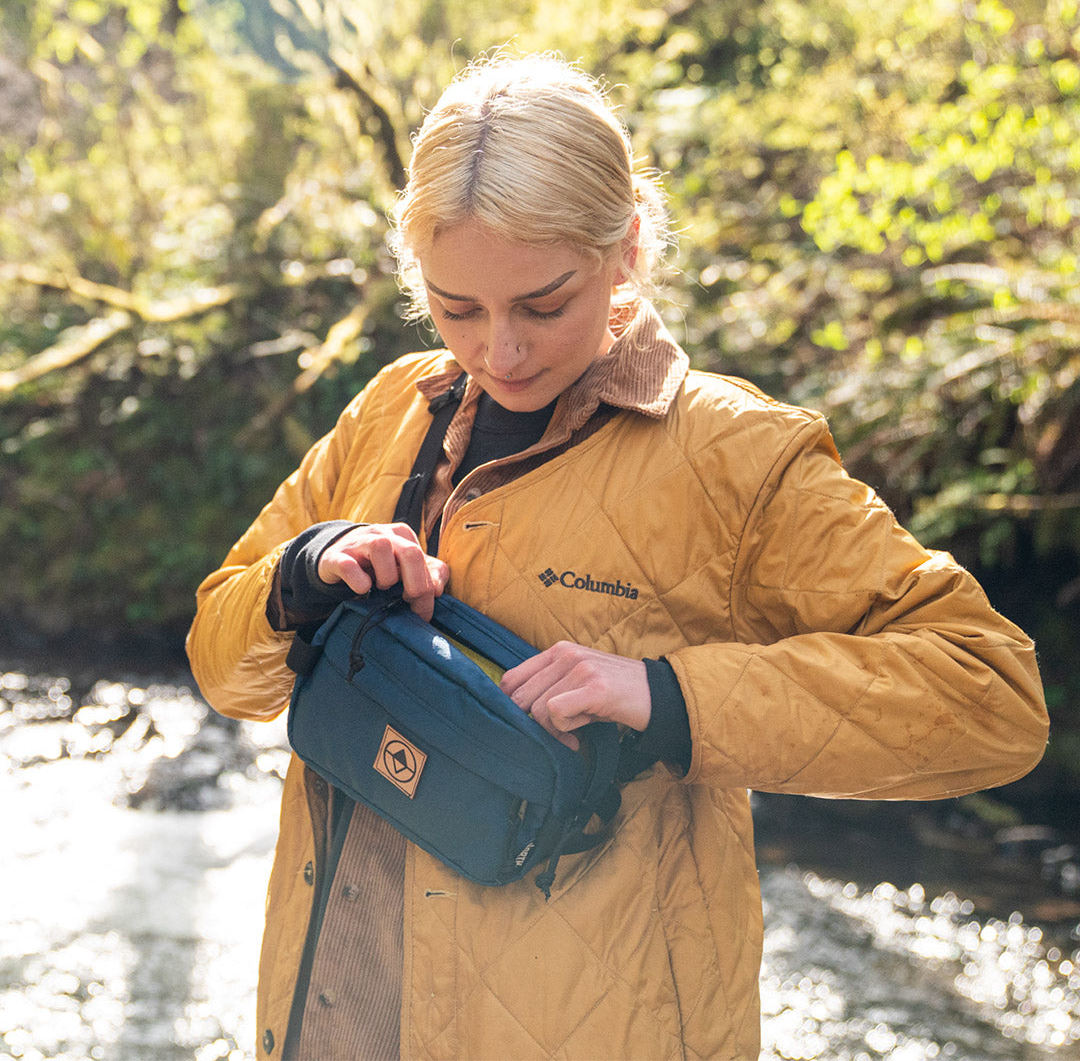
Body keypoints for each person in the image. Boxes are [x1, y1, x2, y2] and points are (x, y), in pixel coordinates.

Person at [186, 53, 1049, 1061]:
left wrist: (665, 698)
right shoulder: (386, 411)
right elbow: (221, 663)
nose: (498, 351)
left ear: (627, 246)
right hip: (332, 1022)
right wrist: (306, 570)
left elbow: (992, 698)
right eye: (457, 308)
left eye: (542, 304)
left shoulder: (738, 454)